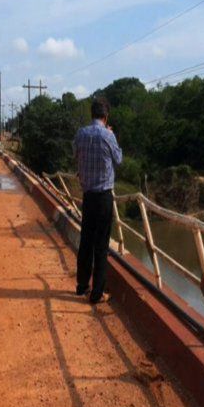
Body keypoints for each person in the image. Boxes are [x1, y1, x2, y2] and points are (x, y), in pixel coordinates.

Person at [72, 97, 122, 304]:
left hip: (88, 195)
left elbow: (75, 155)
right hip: (103, 197)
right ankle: (97, 293)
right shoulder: (108, 135)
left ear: (91, 114)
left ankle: (82, 286)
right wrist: (111, 135)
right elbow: (118, 159)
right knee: (101, 245)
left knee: (86, 242)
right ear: (106, 116)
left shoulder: (81, 134)